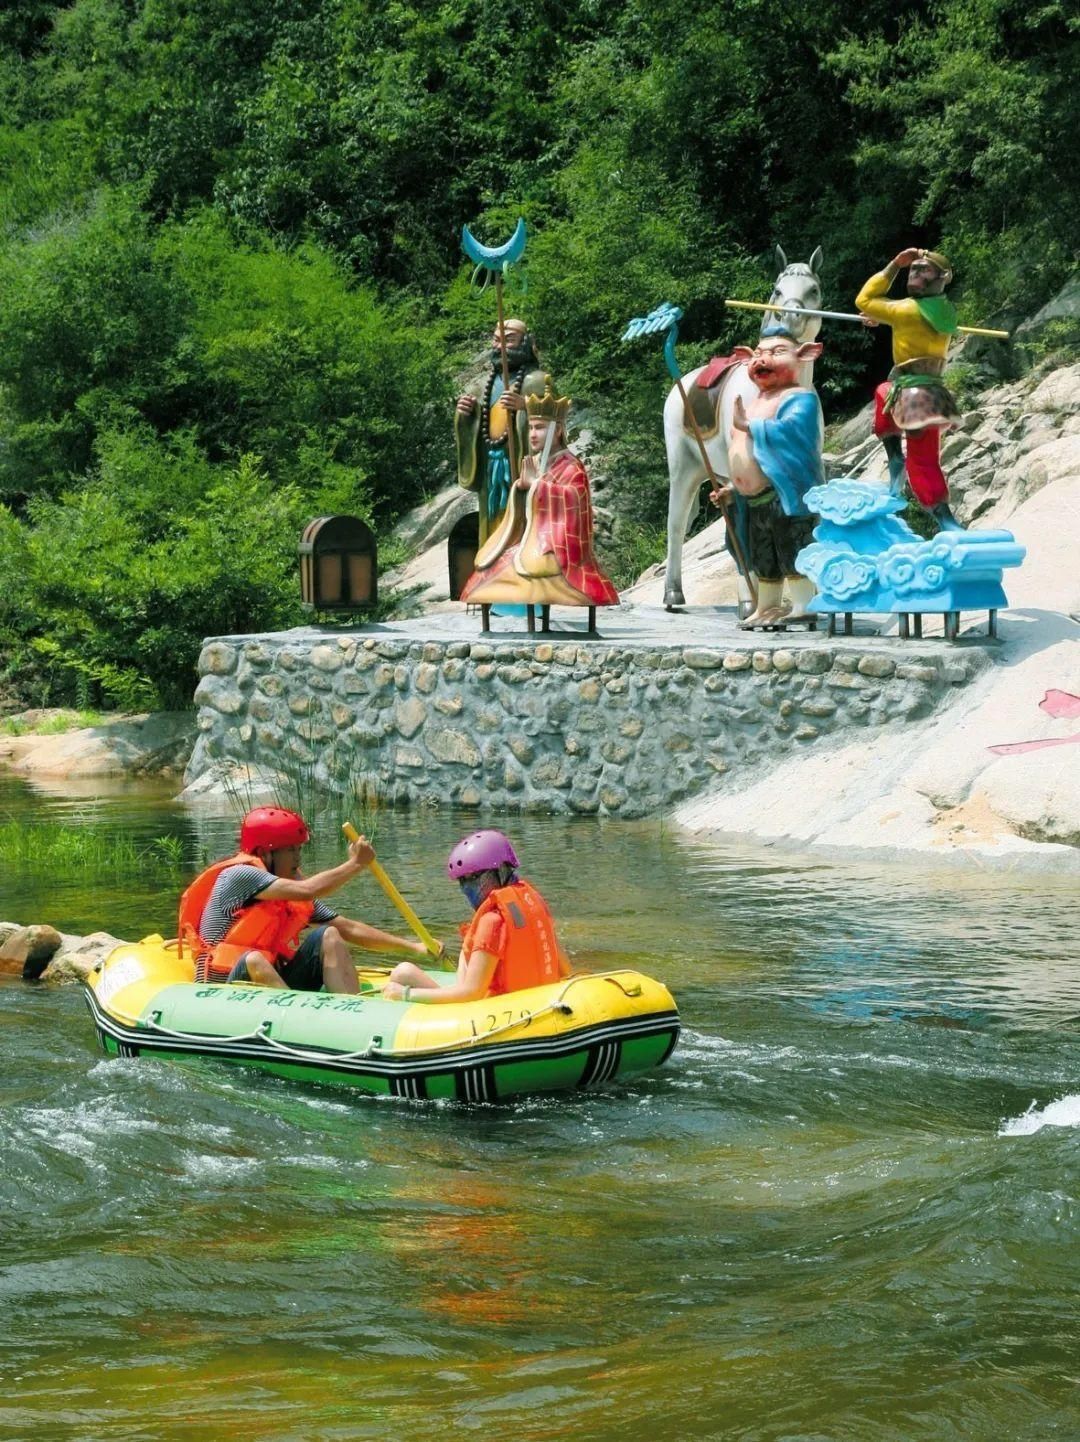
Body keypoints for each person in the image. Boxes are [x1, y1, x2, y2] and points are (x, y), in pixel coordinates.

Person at [178, 806, 428, 993]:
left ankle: (352, 1012)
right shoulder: (239, 876)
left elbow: (349, 928)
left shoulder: (286, 895)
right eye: (290, 850)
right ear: (266, 853)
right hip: (221, 990)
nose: (298, 858)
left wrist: (414, 947)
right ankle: (300, 1020)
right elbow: (309, 889)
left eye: (299, 849)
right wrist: (356, 864)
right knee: (255, 960)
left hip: (268, 985)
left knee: (329, 935)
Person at [459, 376, 620, 612]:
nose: (533, 434)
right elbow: (524, 502)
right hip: (529, 539)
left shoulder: (570, 466)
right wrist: (521, 489)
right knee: (489, 564)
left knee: (524, 572)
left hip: (554, 545)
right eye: (531, 427)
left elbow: (575, 501)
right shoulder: (534, 461)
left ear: (558, 431)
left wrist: (538, 486)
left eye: (540, 428)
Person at [382, 830, 571, 1005]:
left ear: (501, 871)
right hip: (534, 1002)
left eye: (473, 878)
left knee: (401, 974)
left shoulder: (492, 922)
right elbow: (565, 970)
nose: (465, 888)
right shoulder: (532, 903)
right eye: (462, 881)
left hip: (492, 1010)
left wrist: (405, 995)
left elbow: (471, 994)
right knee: (403, 972)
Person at [713, 331, 824, 628]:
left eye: (776, 352)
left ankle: (803, 603)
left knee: (792, 549)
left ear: (805, 355)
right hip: (754, 499)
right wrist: (733, 487)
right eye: (759, 353)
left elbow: (793, 432)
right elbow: (747, 452)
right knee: (764, 554)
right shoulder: (754, 402)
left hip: (785, 493)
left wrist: (750, 425)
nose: (763, 359)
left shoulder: (800, 397)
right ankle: (767, 606)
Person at [855, 247, 963, 530]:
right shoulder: (948, 311)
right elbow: (913, 325)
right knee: (883, 392)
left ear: (942, 277)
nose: (914, 272)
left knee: (922, 464)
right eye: (912, 269)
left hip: (912, 395)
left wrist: (894, 265)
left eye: (922, 269)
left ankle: (897, 461)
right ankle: (898, 462)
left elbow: (864, 299)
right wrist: (885, 319)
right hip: (935, 394)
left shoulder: (904, 310)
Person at [455, 319, 548, 544]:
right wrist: (466, 414)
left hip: (521, 465)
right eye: (497, 340)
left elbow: (556, 417)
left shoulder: (537, 380)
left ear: (525, 343)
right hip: (490, 465)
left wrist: (525, 405)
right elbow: (479, 421)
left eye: (509, 340)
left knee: (524, 518)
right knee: (493, 519)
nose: (500, 346)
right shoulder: (485, 384)